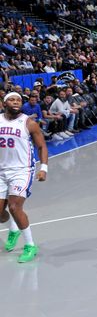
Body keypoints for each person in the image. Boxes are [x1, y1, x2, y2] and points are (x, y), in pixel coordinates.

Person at [0, 92, 48, 263]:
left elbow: (41, 146)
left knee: (14, 207)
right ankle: (13, 229)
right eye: (12, 99)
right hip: (1, 171)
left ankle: (30, 245)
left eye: (19, 100)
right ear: (4, 103)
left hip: (22, 171)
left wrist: (43, 168)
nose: (16, 102)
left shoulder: (29, 122)